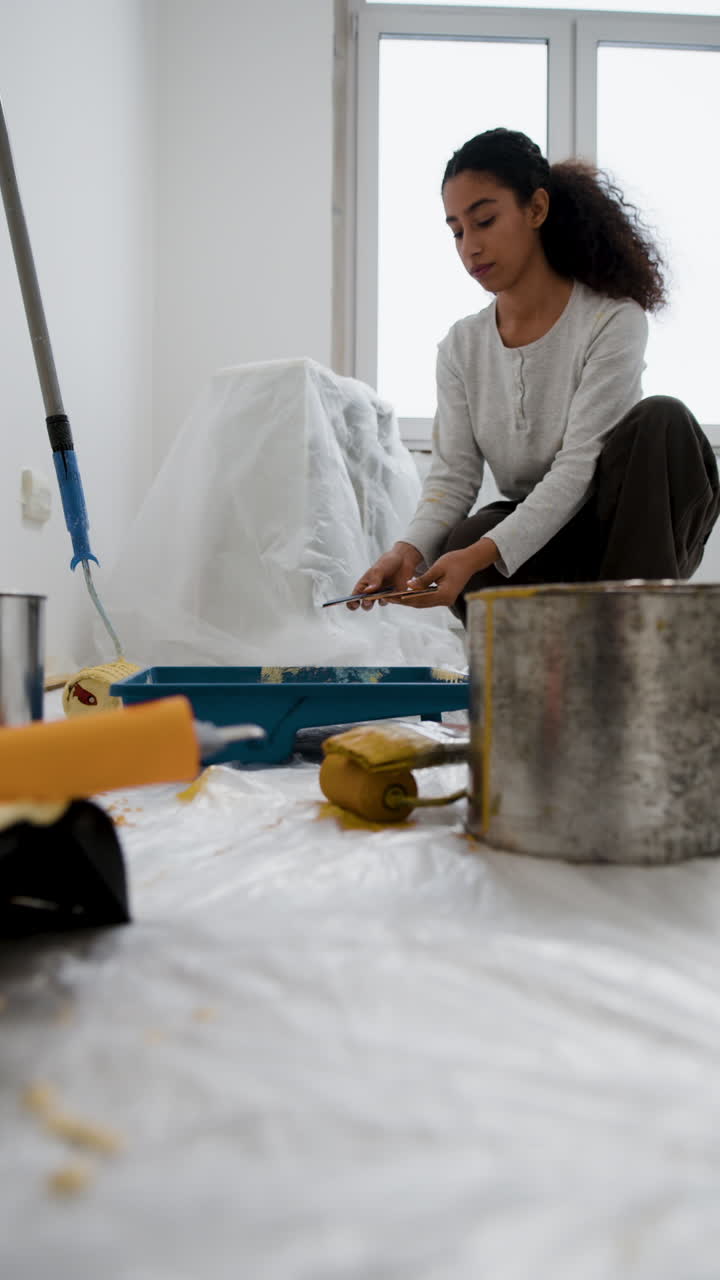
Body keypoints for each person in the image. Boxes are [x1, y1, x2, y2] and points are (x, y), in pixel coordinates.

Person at [349, 127, 720, 623]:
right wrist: (407, 552)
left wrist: (479, 555)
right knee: (463, 541)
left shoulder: (612, 319)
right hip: (548, 541)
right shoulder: (461, 346)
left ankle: (635, 635)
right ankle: (569, 643)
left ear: (537, 209)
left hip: (633, 530)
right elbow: (454, 478)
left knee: (663, 419)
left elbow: (579, 467)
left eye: (484, 221)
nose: (470, 247)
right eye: (457, 231)